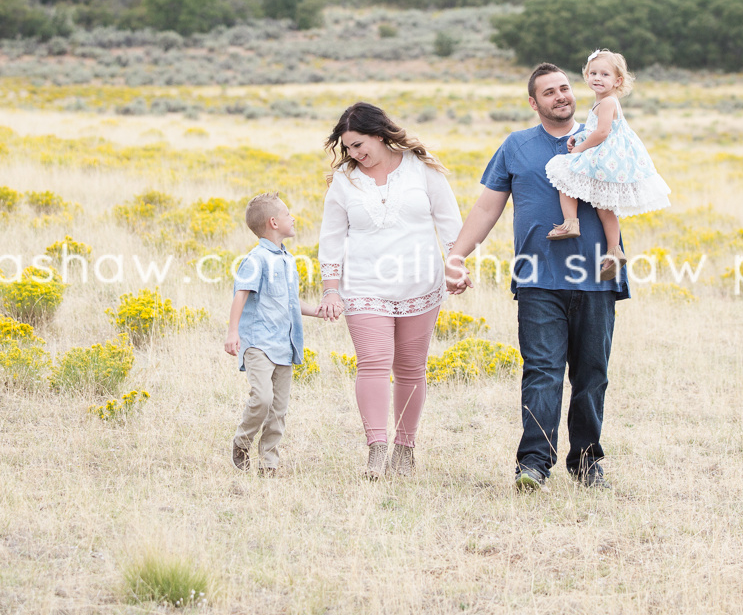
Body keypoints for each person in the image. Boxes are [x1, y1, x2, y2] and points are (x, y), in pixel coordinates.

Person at [445, 63, 629, 492]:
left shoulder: (600, 135)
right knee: (542, 371)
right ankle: (533, 465)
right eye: (549, 92)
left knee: (591, 375)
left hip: (597, 275)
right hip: (538, 279)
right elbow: (486, 208)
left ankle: (586, 464)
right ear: (534, 102)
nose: (561, 95)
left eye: (565, 87)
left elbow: (626, 192)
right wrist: (456, 255)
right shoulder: (516, 146)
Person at [317, 102, 462, 479]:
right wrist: (331, 289)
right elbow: (331, 238)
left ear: (380, 135)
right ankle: (376, 449)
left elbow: (449, 220)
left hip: (420, 281)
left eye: (359, 144)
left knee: (411, 368)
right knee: (373, 364)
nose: (355, 154)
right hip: (364, 285)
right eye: (348, 148)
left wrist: (455, 265)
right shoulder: (344, 182)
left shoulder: (421, 167)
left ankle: (405, 449)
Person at [544, 49, 670, 280]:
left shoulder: (608, 102)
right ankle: (614, 250)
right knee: (606, 207)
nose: (598, 78)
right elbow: (594, 130)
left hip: (605, 156)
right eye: (593, 73)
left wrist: (579, 149)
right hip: (609, 160)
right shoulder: (602, 102)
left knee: (564, 172)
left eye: (605, 74)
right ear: (586, 75)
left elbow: (602, 132)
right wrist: (579, 137)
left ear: (617, 81)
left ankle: (570, 223)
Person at [224, 192, 324, 475]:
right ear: (273, 222)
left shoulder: (288, 260)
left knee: (279, 409)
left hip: (285, 344)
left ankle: (268, 463)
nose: (293, 218)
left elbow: (292, 302)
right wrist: (233, 333)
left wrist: (317, 311)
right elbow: (240, 293)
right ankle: (242, 441)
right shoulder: (256, 259)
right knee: (263, 398)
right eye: (288, 213)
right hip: (259, 343)